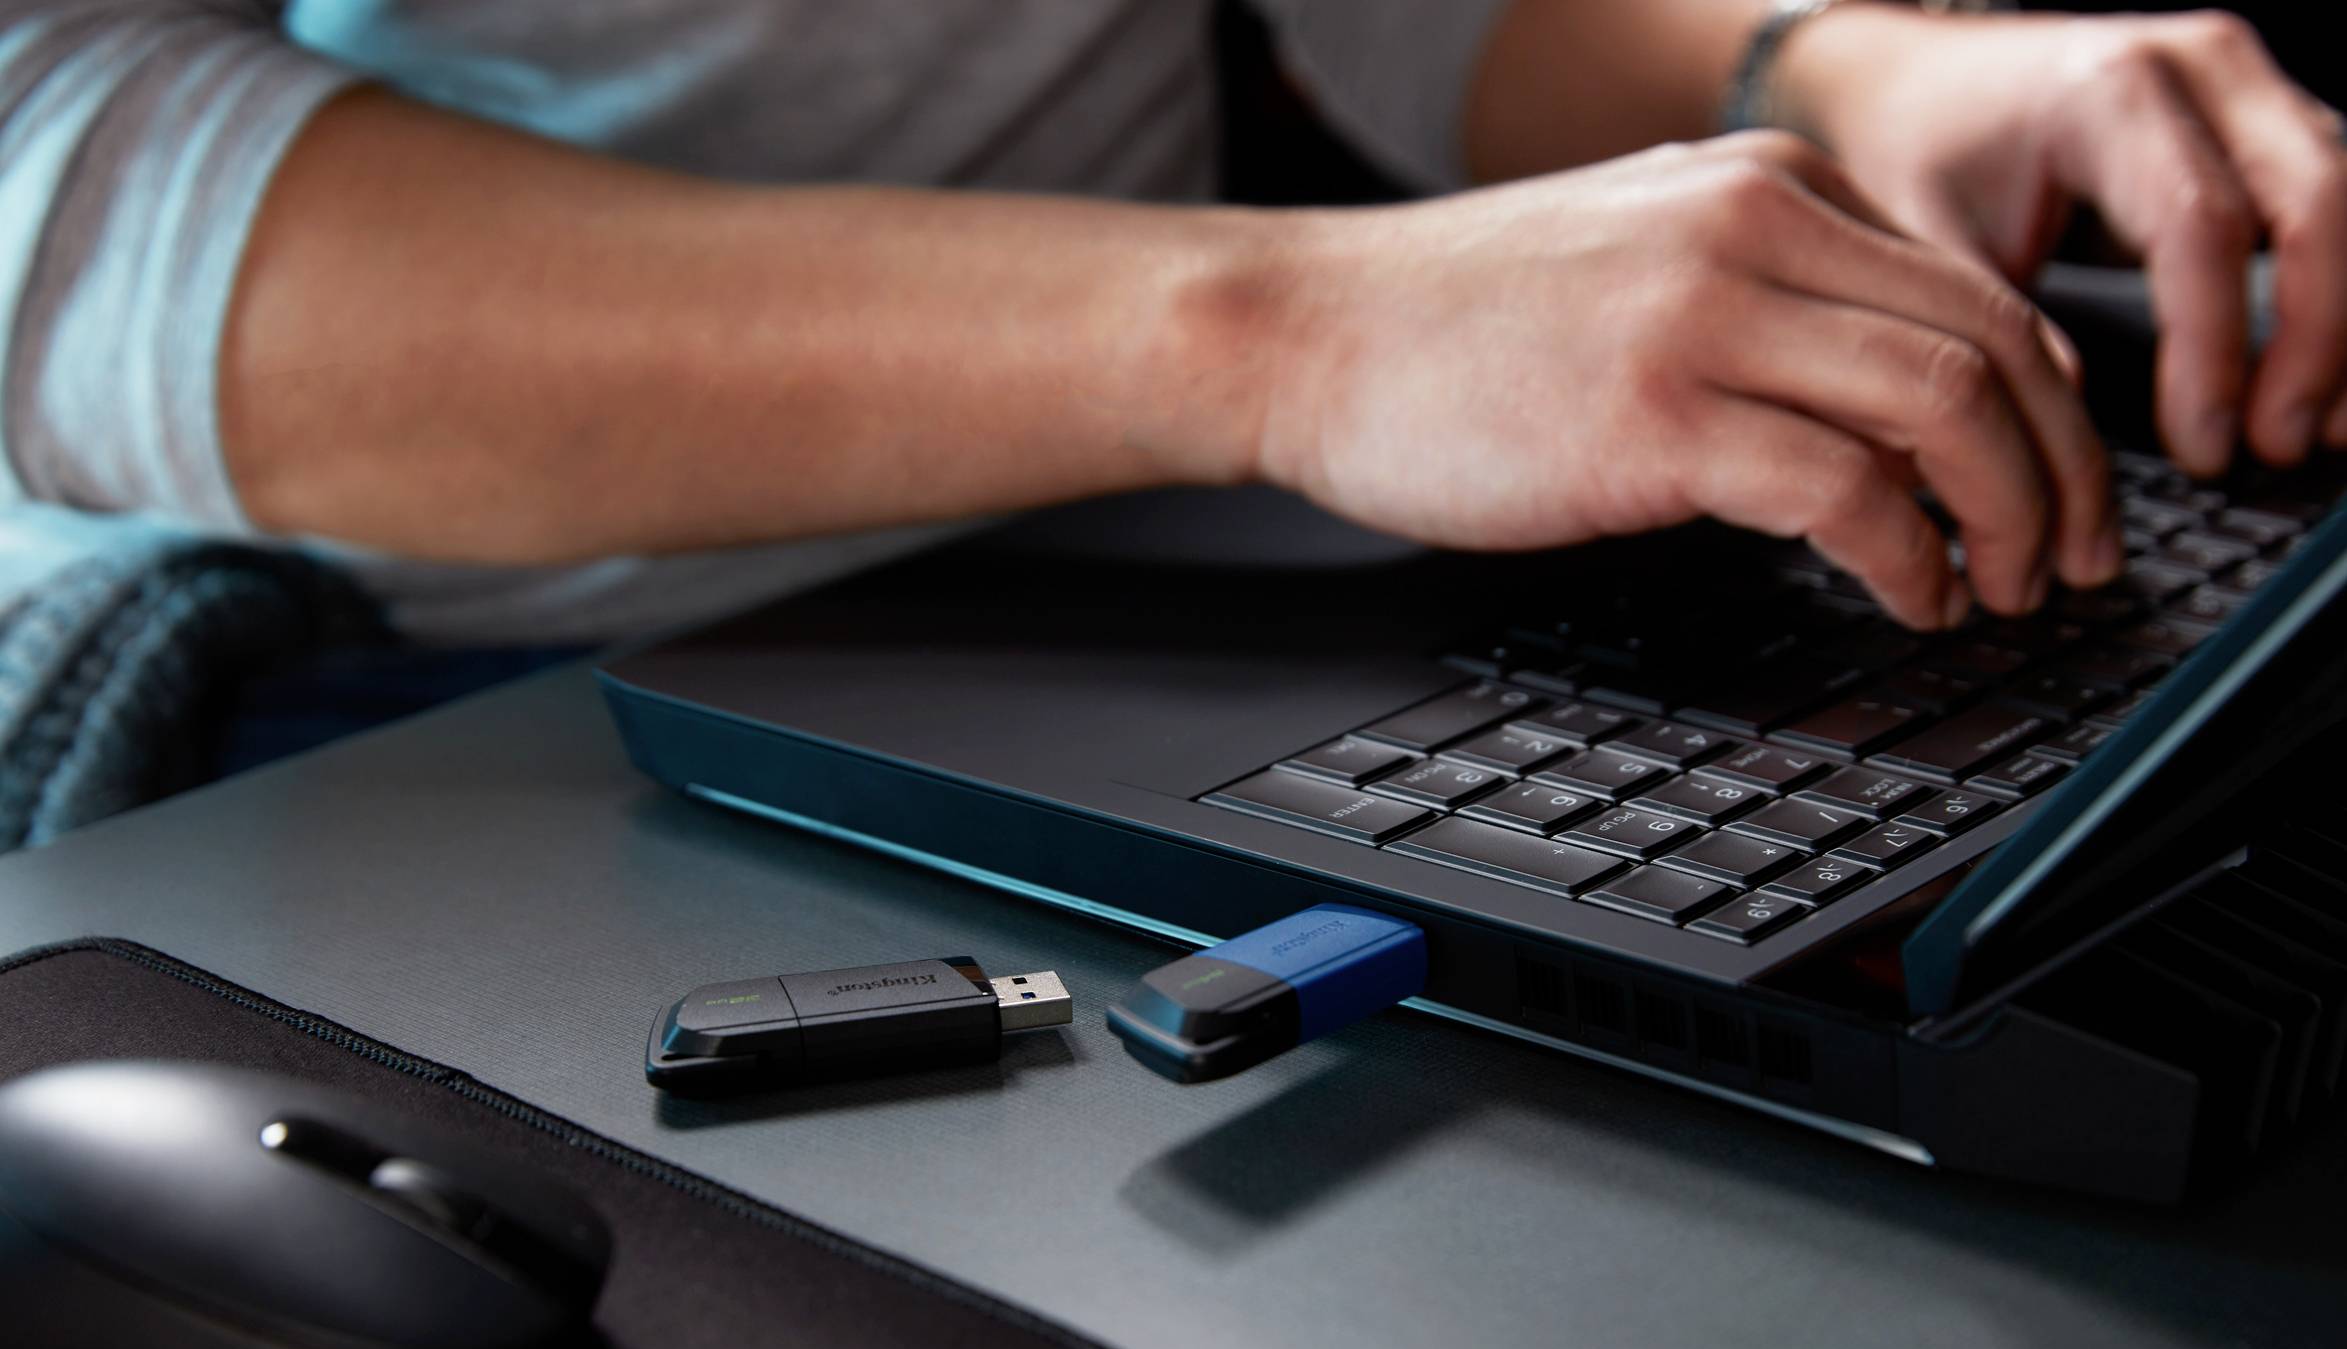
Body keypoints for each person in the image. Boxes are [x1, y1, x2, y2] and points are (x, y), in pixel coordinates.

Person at [0, 0, 2342, 647]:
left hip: (1165, 589)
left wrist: (1837, 63)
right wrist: (1286, 339)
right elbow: (67, 212)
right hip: (415, 703)